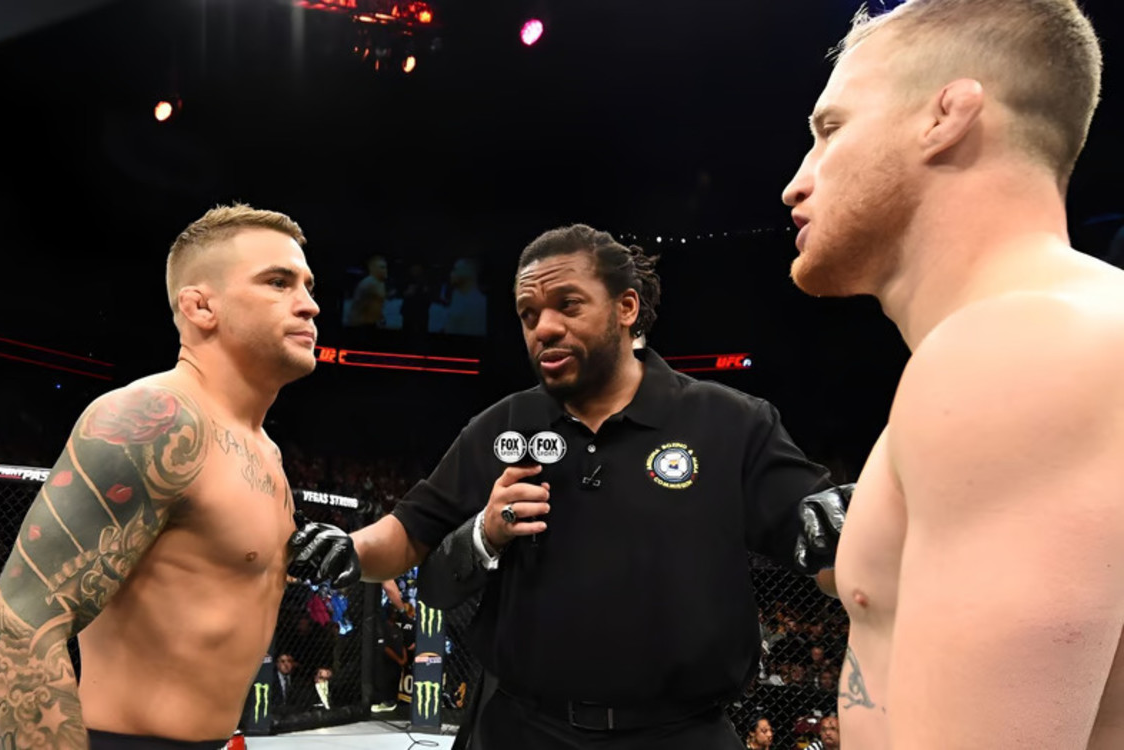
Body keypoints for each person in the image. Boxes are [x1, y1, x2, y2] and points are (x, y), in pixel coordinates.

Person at [347, 223, 851, 749]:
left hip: (680, 734)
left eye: (568, 305)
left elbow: (828, 549)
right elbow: (407, 534)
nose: (544, 328)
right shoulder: (502, 426)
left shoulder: (731, 423)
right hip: (521, 729)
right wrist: (344, 551)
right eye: (529, 315)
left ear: (626, 307)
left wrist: (864, 525)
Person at [780, 1, 1123, 747]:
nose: (797, 183)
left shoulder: (1019, 350)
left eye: (830, 129)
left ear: (947, 115)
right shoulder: (1048, 336)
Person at [0, 204, 360, 750]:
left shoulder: (265, 450)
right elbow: (10, 632)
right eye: (278, 282)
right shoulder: (151, 419)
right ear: (200, 306)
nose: (310, 304)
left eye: (308, 285)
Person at [344, 254, 388, 327]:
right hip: (361, 324)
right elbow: (359, 304)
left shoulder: (378, 282)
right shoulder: (370, 283)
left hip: (368, 322)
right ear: (373, 268)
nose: (385, 270)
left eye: (385, 267)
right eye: (382, 268)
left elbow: (375, 304)